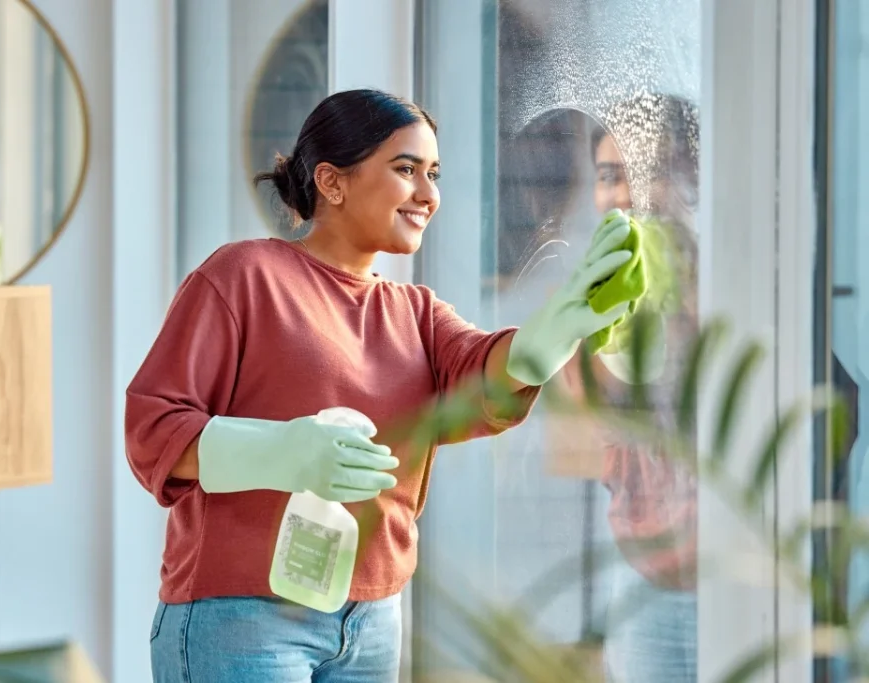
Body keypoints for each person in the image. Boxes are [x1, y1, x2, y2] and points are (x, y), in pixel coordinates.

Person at [125, 88, 638, 683]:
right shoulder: (244, 276)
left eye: (434, 174)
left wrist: (557, 329)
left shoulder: (414, 312)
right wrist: (280, 454)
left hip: (371, 622)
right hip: (242, 621)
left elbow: (486, 375)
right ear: (332, 181)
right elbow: (153, 431)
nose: (429, 194)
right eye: (406, 170)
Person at [561, 93, 700, 683]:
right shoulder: (604, 286)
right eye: (609, 176)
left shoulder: (737, 278)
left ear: (687, 176)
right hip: (643, 573)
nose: (625, 194)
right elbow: (592, 414)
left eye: (648, 173)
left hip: (736, 573)